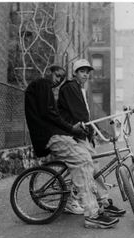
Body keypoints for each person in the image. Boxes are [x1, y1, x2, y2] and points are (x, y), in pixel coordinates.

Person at [24, 65, 119, 229]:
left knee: (87, 160)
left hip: (53, 134)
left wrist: (70, 128)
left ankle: (94, 206)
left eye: (61, 77)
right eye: (56, 75)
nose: (58, 79)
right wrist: (71, 129)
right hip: (50, 136)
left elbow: (52, 115)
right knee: (83, 161)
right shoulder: (42, 84)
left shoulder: (44, 89)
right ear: (48, 72)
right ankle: (92, 214)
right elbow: (49, 114)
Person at [58, 59, 126, 217]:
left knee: (95, 168)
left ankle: (104, 202)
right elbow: (79, 114)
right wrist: (90, 128)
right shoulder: (70, 87)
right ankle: (70, 201)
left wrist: (91, 131)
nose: (86, 75)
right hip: (73, 135)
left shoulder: (79, 89)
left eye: (87, 72)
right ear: (75, 73)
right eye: (82, 71)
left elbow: (84, 115)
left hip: (82, 134)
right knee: (87, 168)